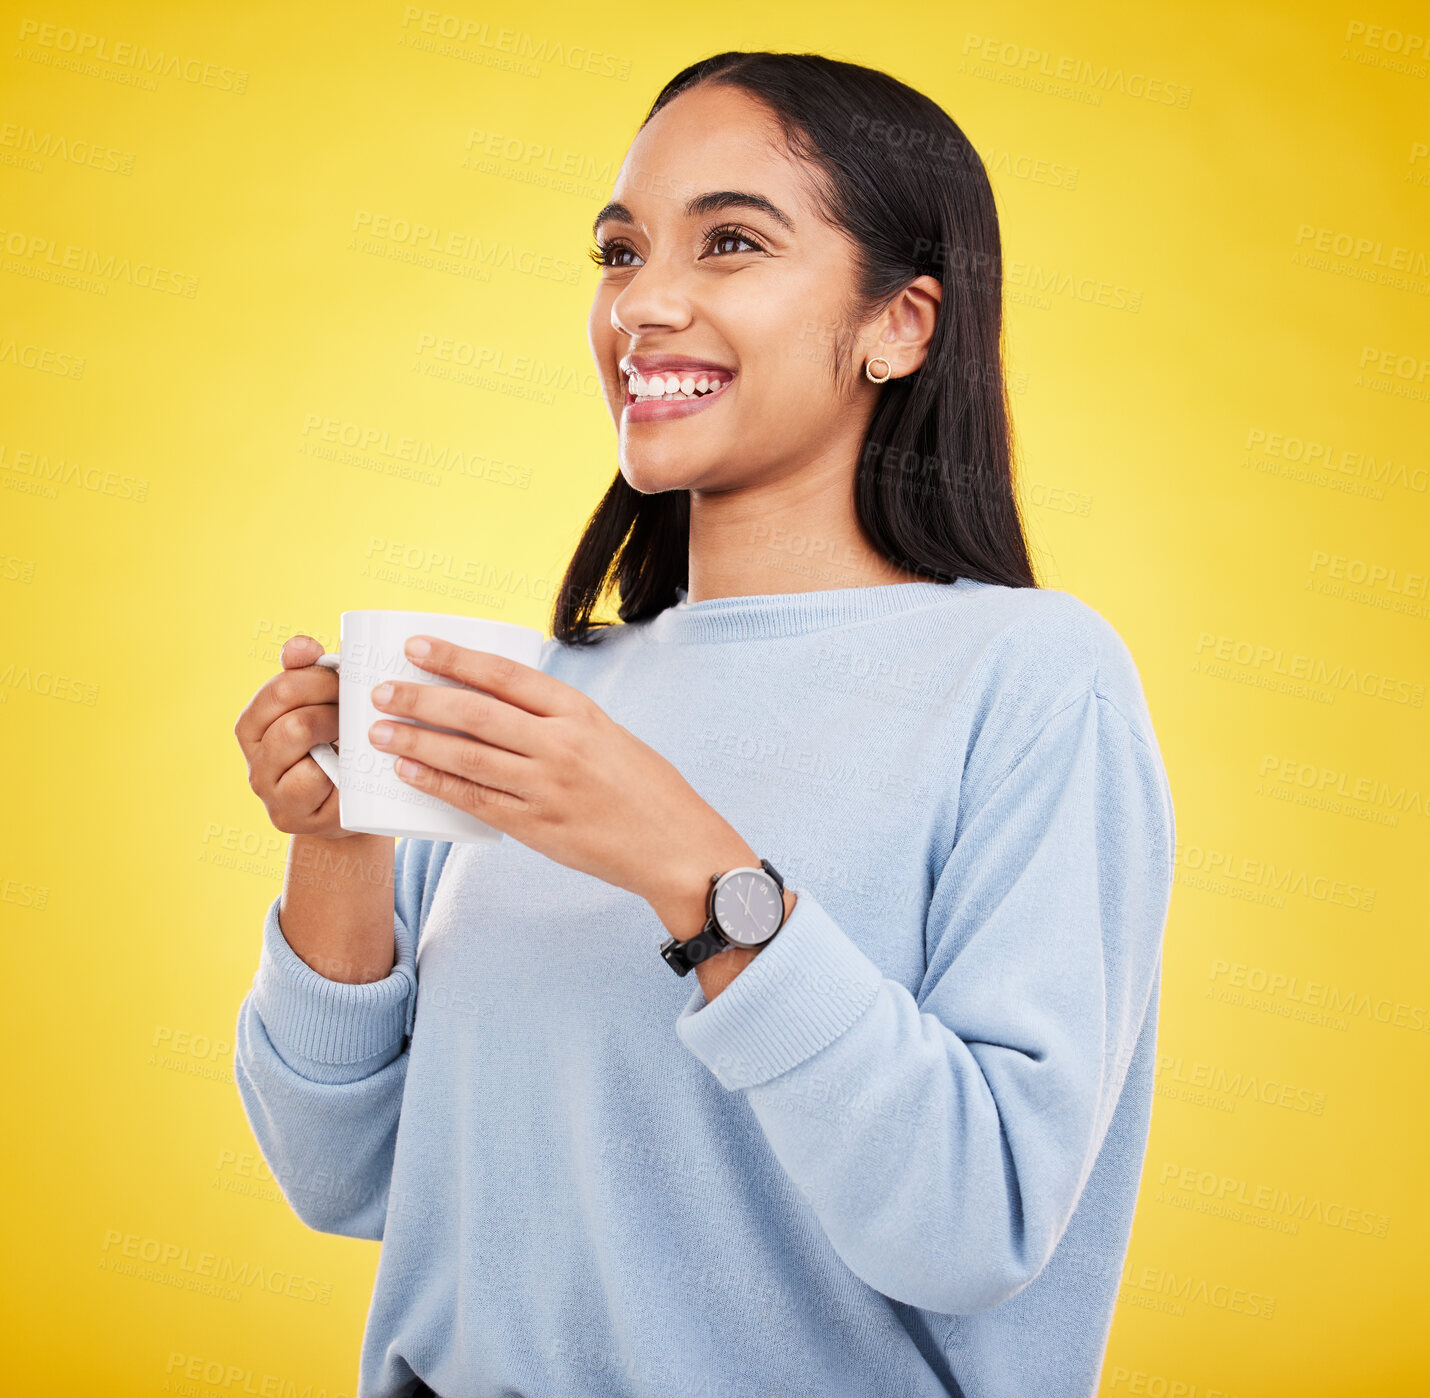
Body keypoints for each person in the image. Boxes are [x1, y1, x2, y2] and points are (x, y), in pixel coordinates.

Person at [232, 50, 1175, 1398]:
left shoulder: (1027, 677)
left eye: (728, 241)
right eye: (618, 252)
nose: (644, 303)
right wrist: (339, 846)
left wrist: (692, 868)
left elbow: (978, 1217)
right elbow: (348, 1175)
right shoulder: (552, 696)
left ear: (900, 323)